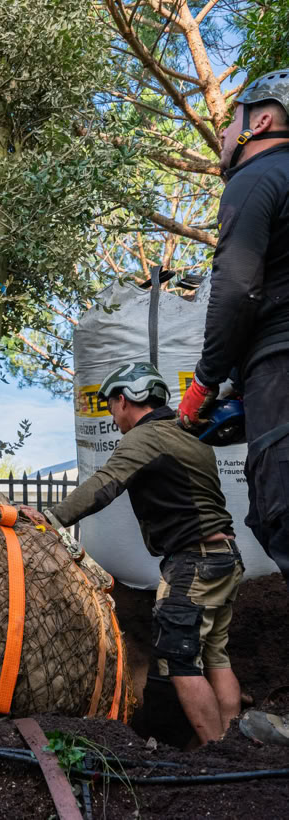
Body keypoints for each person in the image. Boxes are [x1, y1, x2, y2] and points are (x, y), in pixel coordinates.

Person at [26, 362, 243, 747]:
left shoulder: (146, 437)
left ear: (125, 399)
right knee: (215, 657)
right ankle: (234, 741)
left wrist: (51, 518)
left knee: (180, 661)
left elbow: (104, 485)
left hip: (194, 562)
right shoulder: (188, 435)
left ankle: (217, 754)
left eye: (111, 406)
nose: (113, 416)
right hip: (223, 556)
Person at [177, 69, 289, 745]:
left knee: (284, 513)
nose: (222, 134)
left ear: (262, 124)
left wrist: (205, 384)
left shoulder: (259, 174)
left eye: (231, 119)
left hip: (279, 358)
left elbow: (238, 286)